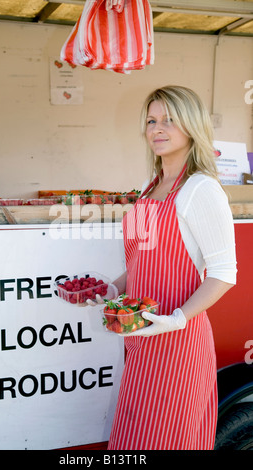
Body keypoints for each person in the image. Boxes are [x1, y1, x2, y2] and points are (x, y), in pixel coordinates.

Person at [90, 85, 237, 450]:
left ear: (192, 126)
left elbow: (224, 272)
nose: (157, 128)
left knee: (167, 439)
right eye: (152, 120)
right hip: (142, 340)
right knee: (134, 437)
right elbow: (142, 260)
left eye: (169, 120)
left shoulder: (201, 189)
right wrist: (112, 289)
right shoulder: (149, 187)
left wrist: (176, 319)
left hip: (179, 344)